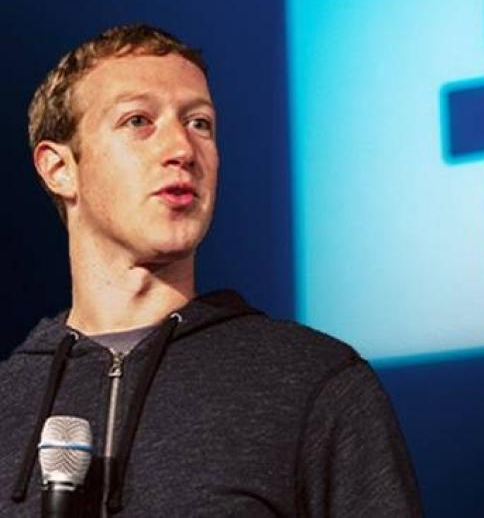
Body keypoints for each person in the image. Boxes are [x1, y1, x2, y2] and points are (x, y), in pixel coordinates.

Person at [0, 25, 422, 516]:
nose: (182, 150)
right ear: (59, 169)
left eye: (200, 123)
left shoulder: (312, 383)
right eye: (138, 121)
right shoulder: (10, 399)